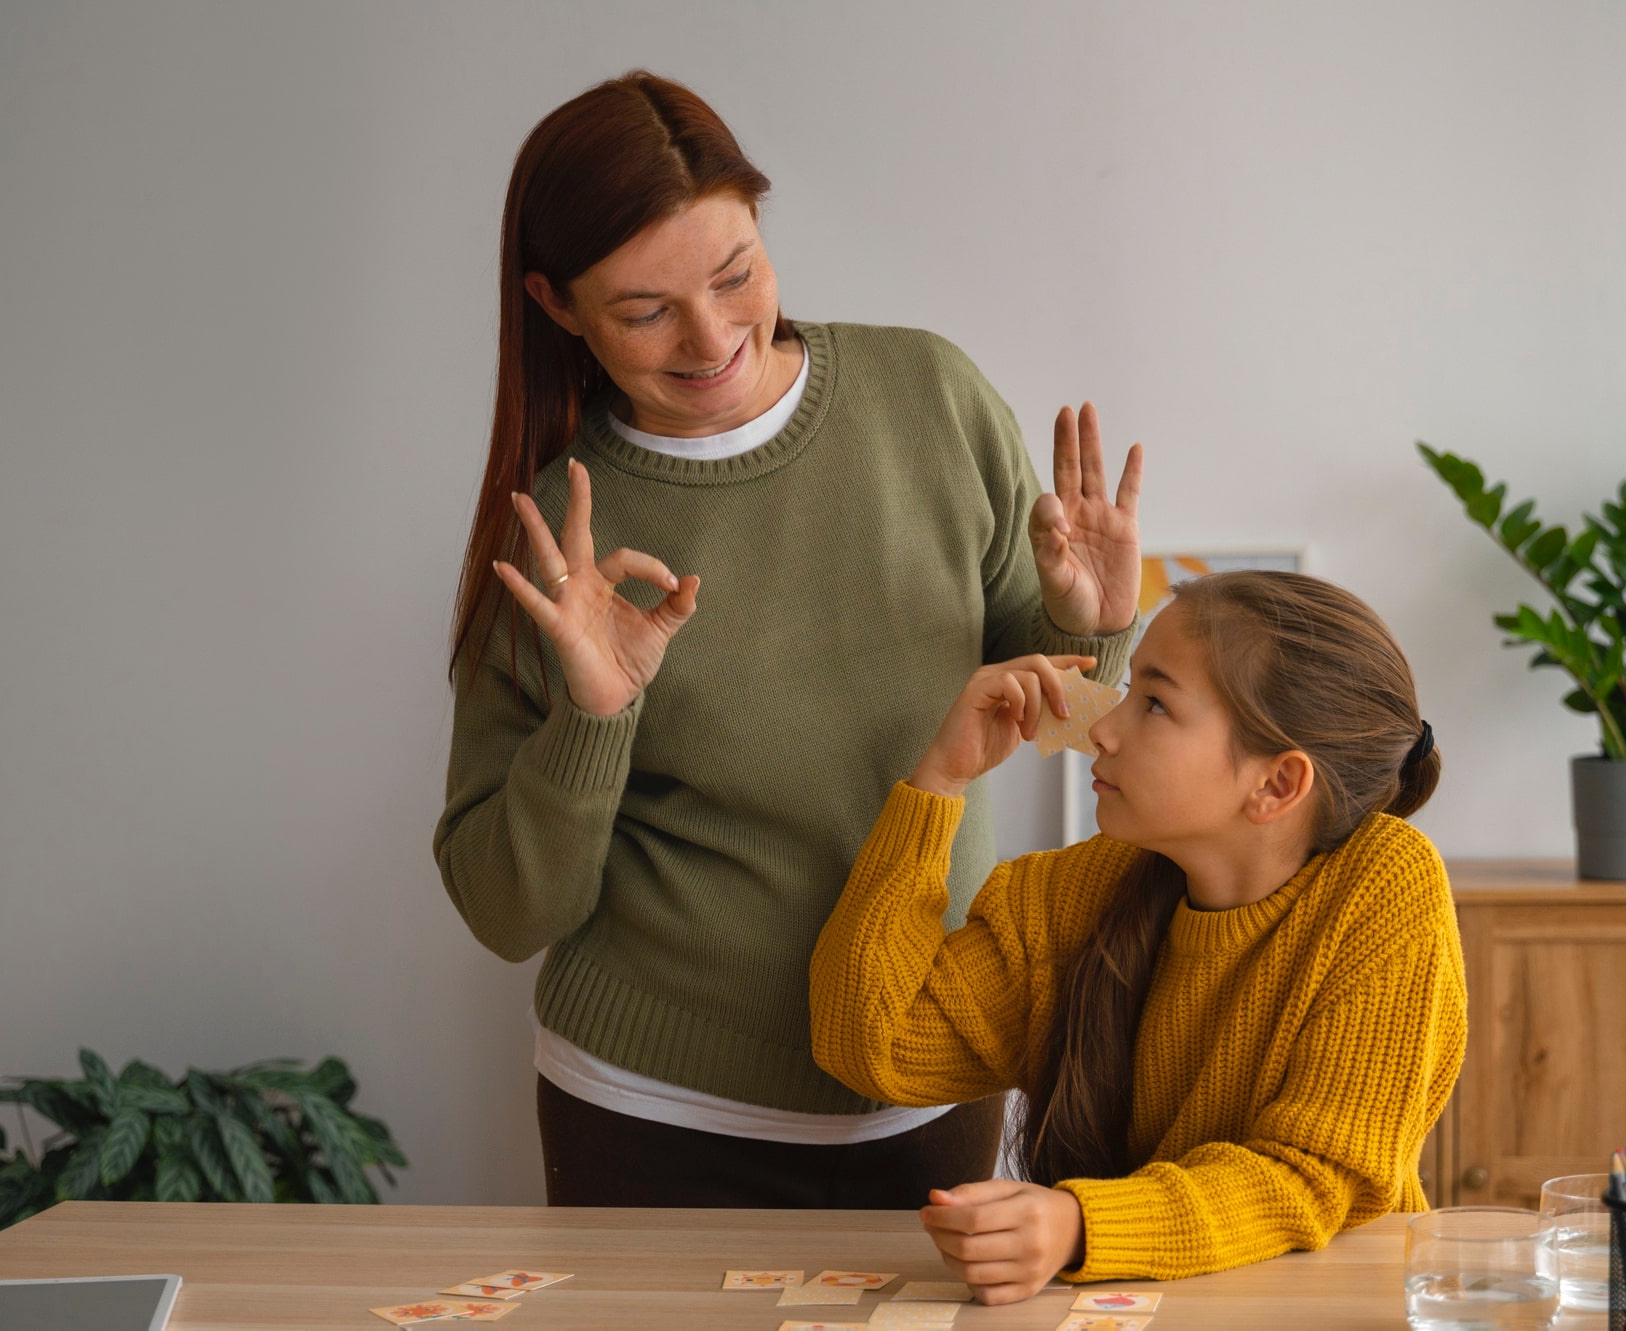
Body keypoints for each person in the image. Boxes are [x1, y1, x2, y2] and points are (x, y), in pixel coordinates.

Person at [433, 70, 1143, 1208]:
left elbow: (1055, 723)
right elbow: (508, 912)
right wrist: (593, 718)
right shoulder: (559, 533)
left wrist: (1089, 629)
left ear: (762, 225)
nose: (709, 336)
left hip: (928, 1072)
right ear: (557, 306)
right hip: (654, 1113)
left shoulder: (931, 397)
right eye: (642, 309)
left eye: (734, 275)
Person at [810, 571, 1466, 1299]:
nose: (1103, 729)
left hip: (1328, 1309)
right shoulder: (1079, 891)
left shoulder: (1385, 886)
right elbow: (868, 1041)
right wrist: (939, 782)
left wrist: (1084, 1224)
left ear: (1278, 784)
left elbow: (1309, 1174)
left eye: (1154, 702)